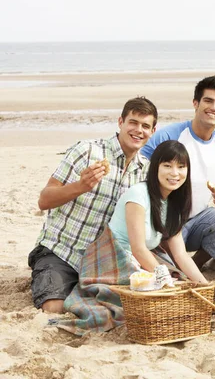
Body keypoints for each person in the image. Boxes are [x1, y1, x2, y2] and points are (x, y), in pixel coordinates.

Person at [28, 96, 158, 313]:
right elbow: (44, 200)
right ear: (120, 122)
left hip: (105, 261)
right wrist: (80, 186)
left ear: (153, 131)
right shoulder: (87, 151)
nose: (138, 130)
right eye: (133, 122)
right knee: (54, 307)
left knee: (133, 307)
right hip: (62, 252)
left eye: (145, 126)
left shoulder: (146, 170)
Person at [141, 76, 215, 277]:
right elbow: (138, 172)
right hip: (162, 222)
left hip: (197, 222)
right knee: (165, 267)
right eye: (208, 101)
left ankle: (194, 264)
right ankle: (176, 264)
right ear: (195, 103)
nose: (214, 107)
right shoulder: (168, 136)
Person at [108, 140, 208, 283]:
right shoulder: (139, 194)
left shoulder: (173, 202)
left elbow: (181, 255)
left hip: (141, 259)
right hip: (117, 258)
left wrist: (206, 286)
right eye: (167, 166)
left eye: (181, 167)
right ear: (155, 168)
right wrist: (165, 279)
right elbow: (138, 249)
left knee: (182, 282)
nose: (175, 173)